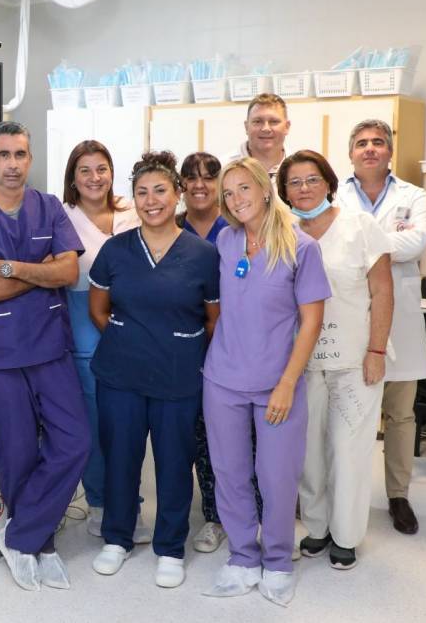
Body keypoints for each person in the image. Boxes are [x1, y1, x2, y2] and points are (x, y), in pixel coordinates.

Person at [0, 121, 91, 592]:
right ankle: (40, 542)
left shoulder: (48, 207)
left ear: (30, 160)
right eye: (4, 155)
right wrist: (41, 271)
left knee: (74, 441)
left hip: (49, 344)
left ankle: (20, 535)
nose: (12, 164)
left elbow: (68, 271)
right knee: (17, 451)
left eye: (21, 154)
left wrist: (13, 267)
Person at [202, 157, 331, 608]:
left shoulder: (301, 246)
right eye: (229, 193)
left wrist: (287, 383)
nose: (236, 200)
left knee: (276, 476)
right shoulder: (226, 240)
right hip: (223, 379)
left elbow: (311, 322)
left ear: (264, 187)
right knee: (230, 473)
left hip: (278, 382)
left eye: (243, 189)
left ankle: (277, 561)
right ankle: (242, 556)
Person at [87, 151, 220, 589]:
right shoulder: (116, 250)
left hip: (178, 376)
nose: (151, 200)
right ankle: (118, 538)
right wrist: (135, 338)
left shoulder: (203, 255)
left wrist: (173, 344)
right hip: (121, 374)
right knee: (121, 458)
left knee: (173, 462)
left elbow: (212, 319)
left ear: (177, 193)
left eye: (160, 190)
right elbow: (98, 310)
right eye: (142, 192)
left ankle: (169, 546)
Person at [277, 150, 394, 571]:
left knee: (348, 451)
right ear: (284, 191)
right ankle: (317, 527)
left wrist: (377, 350)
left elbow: (382, 291)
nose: (304, 188)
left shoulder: (360, 226)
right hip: (301, 362)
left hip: (354, 358)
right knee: (308, 452)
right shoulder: (283, 230)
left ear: (329, 182)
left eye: (312, 179)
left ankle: (345, 536)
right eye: (294, 182)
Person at [336, 119, 426, 536]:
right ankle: (332, 490)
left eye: (378, 142)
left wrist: (365, 245)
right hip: (351, 315)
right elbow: (327, 240)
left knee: (400, 413)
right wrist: (385, 244)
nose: (370, 148)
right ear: (351, 152)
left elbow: (418, 242)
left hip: (404, 318)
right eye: (361, 143)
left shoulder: (415, 195)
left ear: (390, 151)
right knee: (342, 413)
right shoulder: (335, 195)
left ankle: (397, 494)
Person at [59, 140, 148, 543]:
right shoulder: (62, 217)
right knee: (96, 424)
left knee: (130, 422)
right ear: (73, 178)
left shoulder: (132, 210)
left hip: (137, 322)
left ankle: (130, 504)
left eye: (102, 169)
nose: (95, 178)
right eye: (85, 170)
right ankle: (98, 502)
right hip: (84, 324)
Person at [175, 152, 231, 554]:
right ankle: (203, 515)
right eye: (191, 178)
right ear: (181, 185)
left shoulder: (236, 227)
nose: (200, 185)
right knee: (194, 438)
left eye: (209, 178)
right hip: (183, 349)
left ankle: (230, 515)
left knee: (228, 439)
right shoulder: (168, 228)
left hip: (231, 347)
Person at [220, 93, 291, 177]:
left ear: (287, 127)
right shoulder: (223, 168)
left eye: (274, 122)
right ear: (246, 127)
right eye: (257, 121)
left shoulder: (299, 166)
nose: (266, 128)